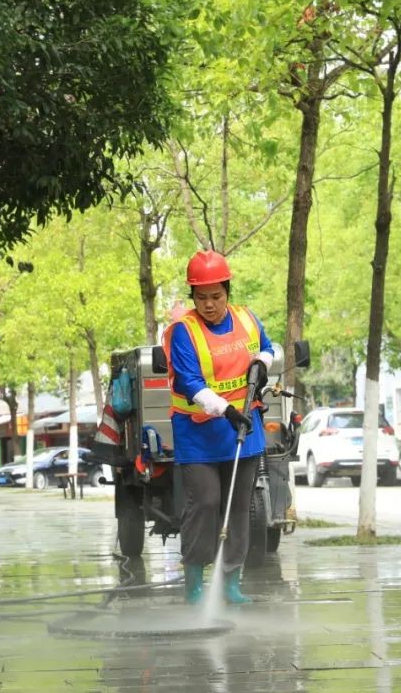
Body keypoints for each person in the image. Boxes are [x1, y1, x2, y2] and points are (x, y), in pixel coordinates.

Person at [162, 250, 273, 605]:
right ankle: (194, 580)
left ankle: (230, 582)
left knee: (239, 505)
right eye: (201, 297)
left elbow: (269, 348)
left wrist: (263, 363)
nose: (209, 304)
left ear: (228, 291)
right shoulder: (184, 332)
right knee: (206, 502)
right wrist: (225, 410)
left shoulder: (247, 319)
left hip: (245, 429)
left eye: (216, 296)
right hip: (199, 433)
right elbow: (189, 382)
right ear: (193, 296)